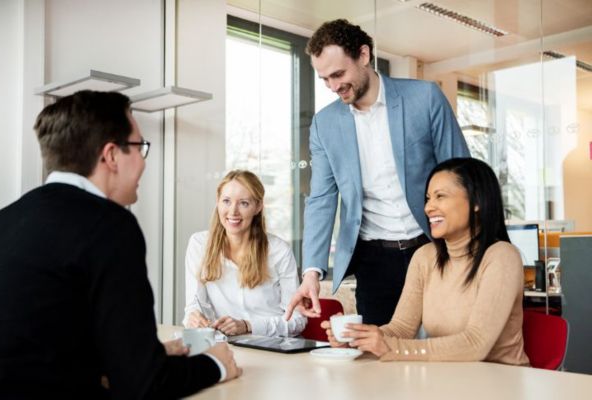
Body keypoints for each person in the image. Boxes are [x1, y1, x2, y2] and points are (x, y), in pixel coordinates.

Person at [0, 91, 241, 399]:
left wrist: (130, 358)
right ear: (110, 155)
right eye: (139, 147)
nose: (143, 163)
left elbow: (33, 351)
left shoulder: (2, 221)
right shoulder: (109, 225)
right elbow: (145, 386)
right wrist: (216, 363)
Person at [285, 19, 470, 326]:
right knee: (379, 355)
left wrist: (470, 249)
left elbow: (462, 174)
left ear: (363, 55)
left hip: (432, 246)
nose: (333, 86)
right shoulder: (325, 124)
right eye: (325, 79)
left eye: (339, 74)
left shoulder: (424, 99)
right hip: (373, 259)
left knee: (444, 346)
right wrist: (312, 272)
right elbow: (321, 199)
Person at [321, 157, 530, 366]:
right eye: (428, 198)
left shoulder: (502, 256)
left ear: (476, 202)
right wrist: (358, 340)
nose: (429, 207)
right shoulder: (425, 257)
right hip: (445, 381)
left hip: (500, 383)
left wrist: (391, 347)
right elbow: (401, 329)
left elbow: (476, 343)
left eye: (440, 196)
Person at [183, 170, 306, 337]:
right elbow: (194, 305)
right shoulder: (199, 244)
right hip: (224, 346)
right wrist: (194, 318)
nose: (233, 211)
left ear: (258, 206)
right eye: (226, 201)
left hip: (273, 347)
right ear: (217, 202)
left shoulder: (279, 251)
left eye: (244, 203)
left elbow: (297, 321)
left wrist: (248, 326)